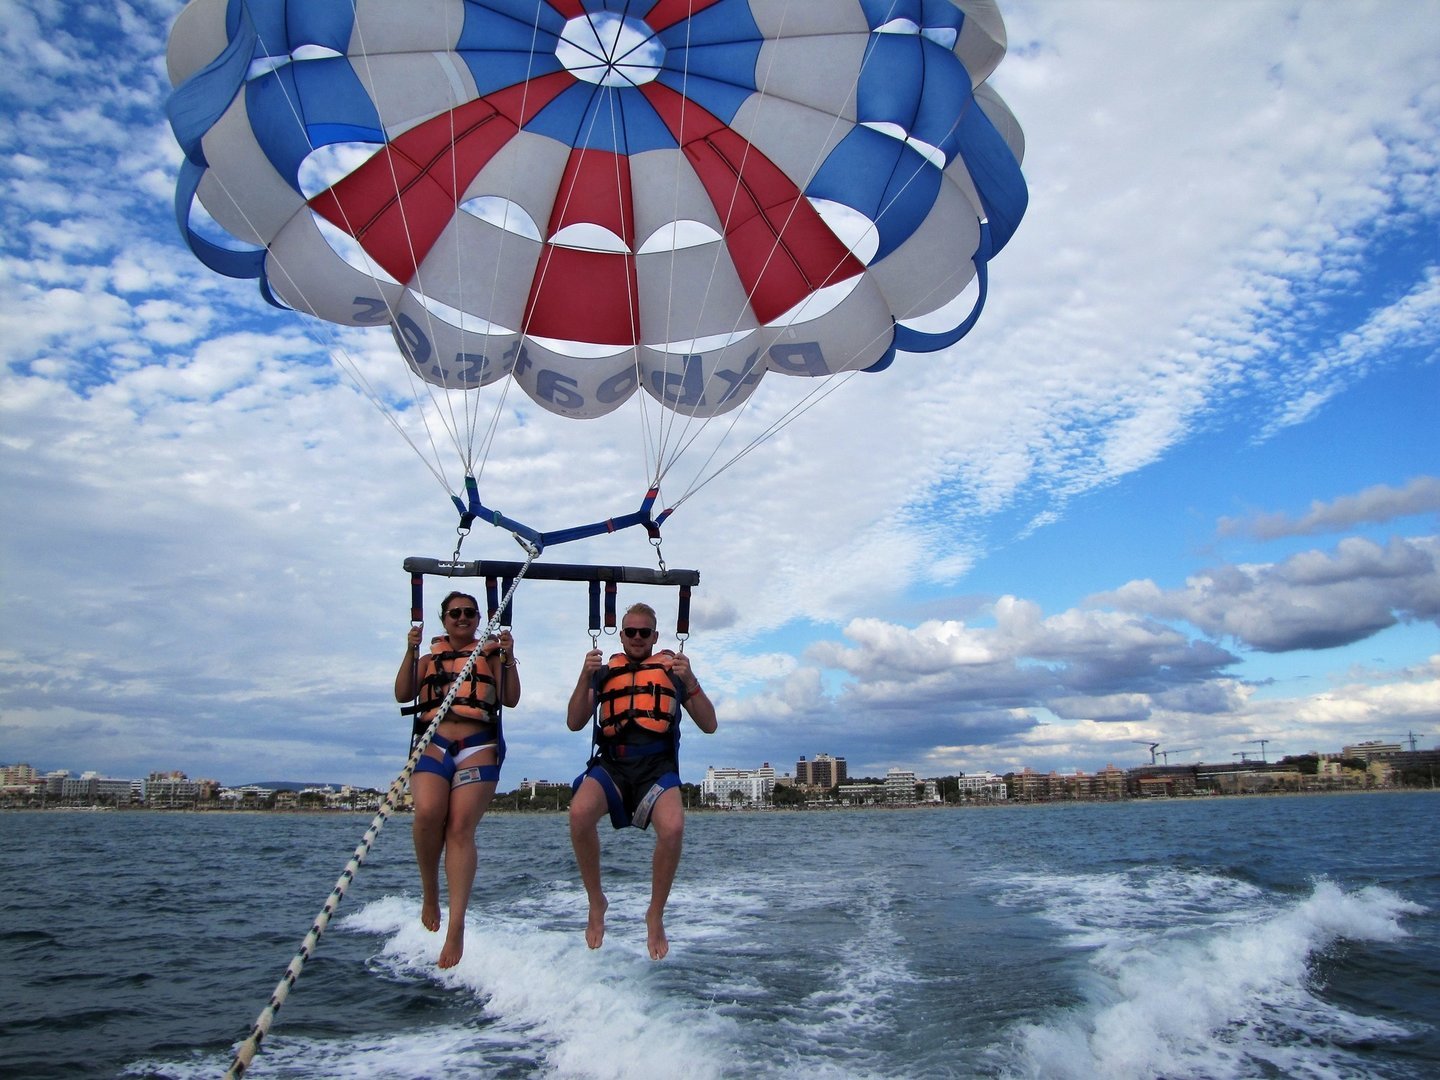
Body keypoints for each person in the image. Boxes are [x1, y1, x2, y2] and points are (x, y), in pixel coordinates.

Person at [566, 601, 717, 959]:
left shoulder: (673, 672)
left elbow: (709, 724)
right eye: (630, 632)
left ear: (655, 635)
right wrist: (583, 677)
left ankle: (655, 913)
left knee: (674, 828)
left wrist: (690, 680)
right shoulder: (604, 673)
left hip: (656, 768)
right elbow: (574, 722)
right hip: (613, 765)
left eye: (643, 632)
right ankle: (596, 902)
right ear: (621, 635)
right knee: (578, 814)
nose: (637, 638)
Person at [394, 591, 520, 968]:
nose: (462, 618)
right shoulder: (429, 658)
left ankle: (457, 925)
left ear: (479, 617)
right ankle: (431, 893)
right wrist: (411, 650)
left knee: (460, 828)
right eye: (455, 613)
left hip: (477, 742)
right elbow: (402, 693)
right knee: (428, 813)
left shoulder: (492, 655)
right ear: (444, 618)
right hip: (433, 741)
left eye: (469, 613)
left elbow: (510, 698)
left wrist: (508, 657)